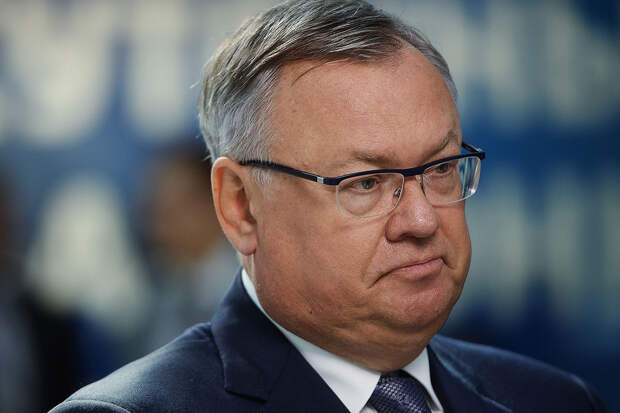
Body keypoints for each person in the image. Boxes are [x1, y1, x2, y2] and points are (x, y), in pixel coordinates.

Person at [51, 1, 607, 412]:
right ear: (241, 206)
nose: (421, 220)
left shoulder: (554, 400)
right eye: (365, 183)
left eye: (439, 169)